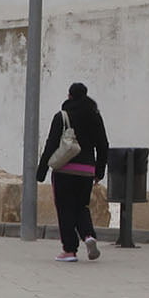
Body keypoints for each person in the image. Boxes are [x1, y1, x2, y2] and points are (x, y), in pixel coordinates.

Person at [37, 81, 111, 261]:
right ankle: (88, 235)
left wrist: (42, 170)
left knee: (65, 209)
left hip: (64, 170)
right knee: (81, 206)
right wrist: (99, 171)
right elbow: (103, 145)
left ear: (69, 95)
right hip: (86, 170)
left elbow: (51, 144)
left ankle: (69, 250)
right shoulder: (95, 116)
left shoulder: (62, 116)